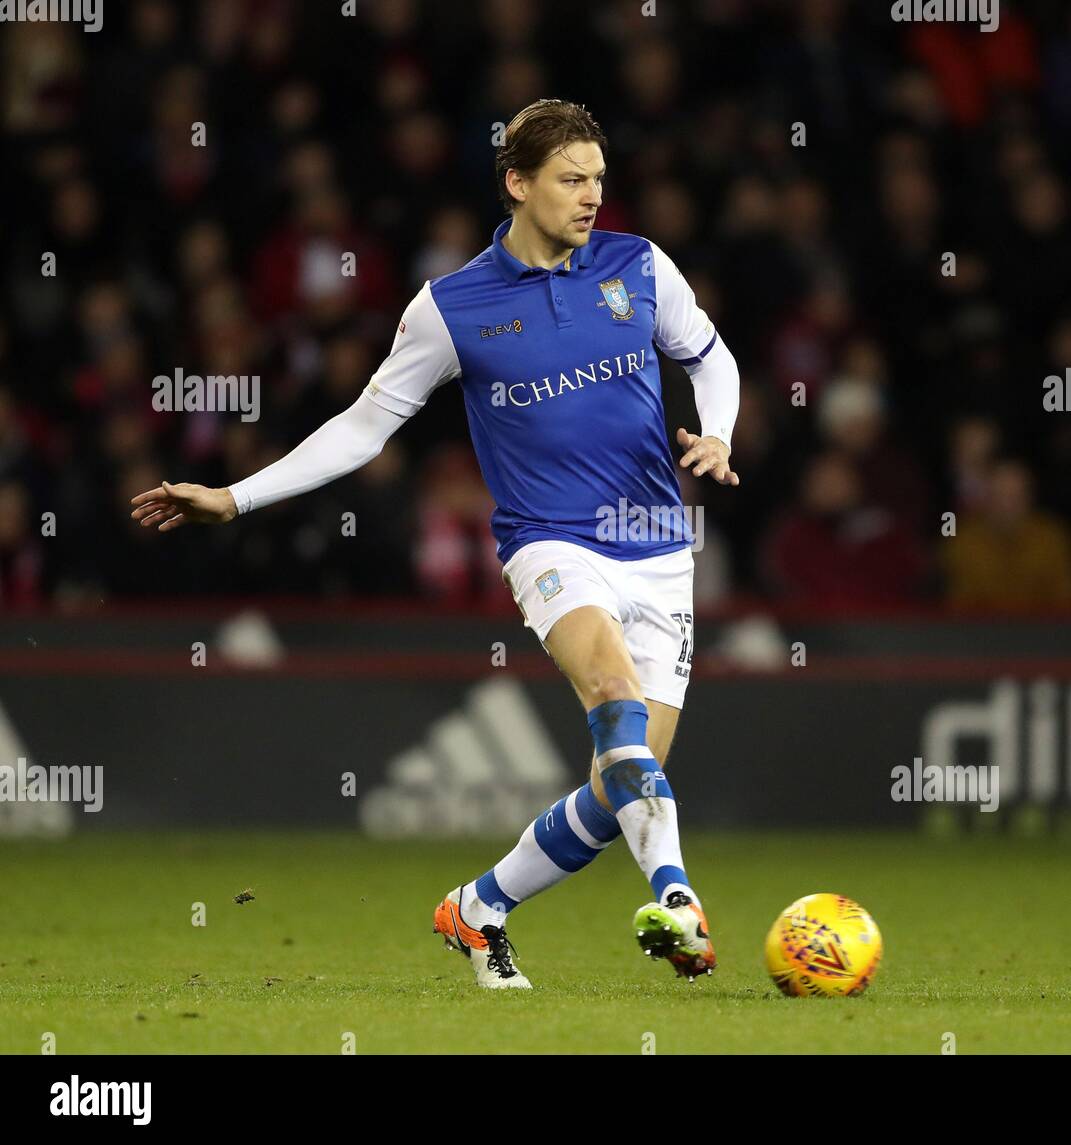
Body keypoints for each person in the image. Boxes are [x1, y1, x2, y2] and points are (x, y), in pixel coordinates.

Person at [129, 99, 741, 989]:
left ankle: (479, 906)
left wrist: (716, 432)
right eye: (571, 179)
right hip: (551, 543)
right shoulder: (452, 307)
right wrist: (235, 495)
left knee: (620, 788)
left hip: (658, 546)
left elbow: (710, 357)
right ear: (517, 182)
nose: (591, 198)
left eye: (600, 179)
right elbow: (363, 427)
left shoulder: (638, 266)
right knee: (610, 694)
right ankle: (680, 900)